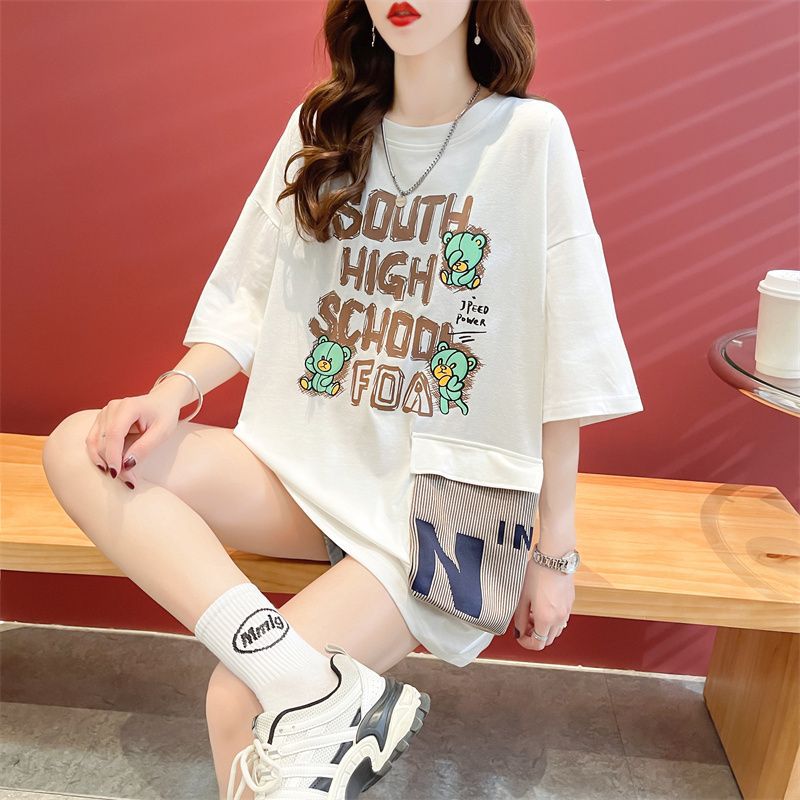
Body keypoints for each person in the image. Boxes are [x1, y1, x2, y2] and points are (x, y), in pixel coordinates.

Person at [42, 0, 644, 798]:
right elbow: (250, 295)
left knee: (240, 696)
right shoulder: (323, 125)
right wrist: (172, 390)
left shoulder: (528, 138)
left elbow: (565, 353)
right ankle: (315, 691)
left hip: (439, 511)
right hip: (305, 467)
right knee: (82, 446)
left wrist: (553, 552)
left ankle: (296, 692)